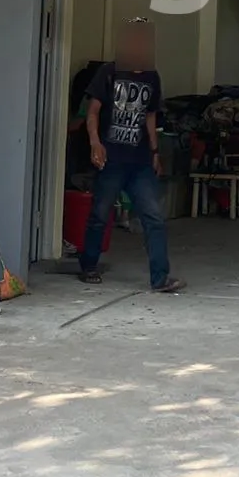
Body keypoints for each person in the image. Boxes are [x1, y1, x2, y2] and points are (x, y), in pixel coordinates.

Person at [77, 18, 185, 294]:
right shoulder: (108, 72)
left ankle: (160, 278)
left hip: (140, 162)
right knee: (100, 214)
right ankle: (89, 265)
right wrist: (95, 143)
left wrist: (155, 151)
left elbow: (150, 116)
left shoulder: (152, 76)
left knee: (154, 218)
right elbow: (92, 112)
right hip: (111, 159)